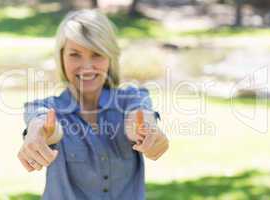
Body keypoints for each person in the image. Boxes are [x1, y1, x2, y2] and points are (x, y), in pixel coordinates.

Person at [17, 9, 169, 200]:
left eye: (96, 54)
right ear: (61, 57)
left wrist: (146, 131)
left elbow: (138, 117)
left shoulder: (132, 98)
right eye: (75, 54)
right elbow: (42, 122)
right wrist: (38, 132)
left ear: (110, 56)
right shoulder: (47, 108)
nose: (87, 66)